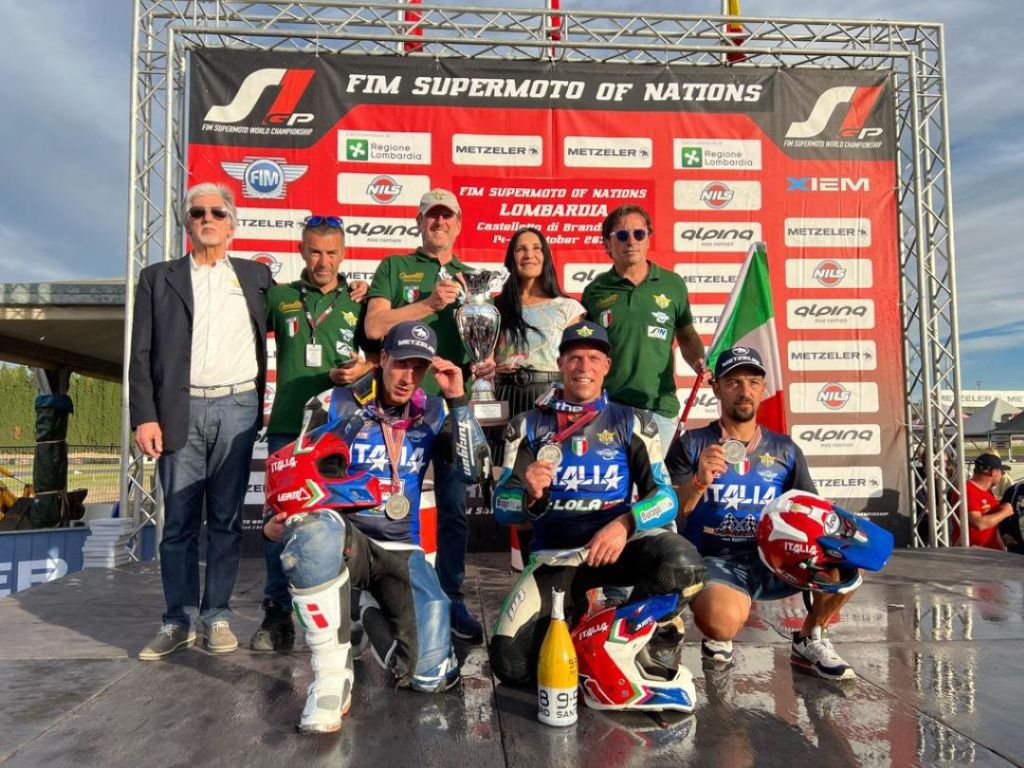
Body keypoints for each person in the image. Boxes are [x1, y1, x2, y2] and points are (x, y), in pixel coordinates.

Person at [262, 321, 490, 733]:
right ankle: (331, 677)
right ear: (382, 358)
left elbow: (475, 471)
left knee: (428, 677)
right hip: (346, 540)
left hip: (402, 547)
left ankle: (365, 609)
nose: (408, 377)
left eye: (418, 368)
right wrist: (272, 524)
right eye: (401, 363)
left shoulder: (433, 410)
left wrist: (458, 401)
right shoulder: (332, 402)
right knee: (313, 530)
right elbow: (296, 474)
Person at [489, 320, 706, 687]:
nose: (583, 367)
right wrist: (529, 496)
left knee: (683, 564)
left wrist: (625, 524)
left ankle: (629, 638)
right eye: (575, 358)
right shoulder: (527, 425)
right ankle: (578, 620)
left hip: (616, 548)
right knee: (511, 666)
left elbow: (665, 497)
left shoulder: (633, 421)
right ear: (560, 363)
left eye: (593, 358)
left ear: (607, 366)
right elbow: (501, 506)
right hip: (556, 556)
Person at [129, 182, 272, 660]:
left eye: (216, 212)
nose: (207, 218)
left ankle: (217, 617)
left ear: (232, 224)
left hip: (238, 409)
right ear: (186, 223)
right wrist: (145, 416)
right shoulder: (157, 278)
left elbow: (305, 311)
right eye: (197, 212)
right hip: (179, 410)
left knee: (227, 522)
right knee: (179, 524)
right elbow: (141, 354)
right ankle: (177, 621)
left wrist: (353, 292)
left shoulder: (257, 276)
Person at [665, 346, 859, 680]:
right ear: (716, 388)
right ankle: (718, 635)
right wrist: (698, 482)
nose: (745, 391)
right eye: (734, 382)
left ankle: (811, 637)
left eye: (753, 382)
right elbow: (670, 512)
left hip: (775, 558)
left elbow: (811, 510)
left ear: (763, 389)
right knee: (721, 622)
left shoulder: (785, 448)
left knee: (849, 563)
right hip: (717, 560)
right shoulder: (692, 443)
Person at [363, 188, 486, 643]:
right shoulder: (395, 267)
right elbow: (374, 326)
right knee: (395, 507)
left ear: (459, 224)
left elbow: (481, 340)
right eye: (431, 216)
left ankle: (451, 597)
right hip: (397, 410)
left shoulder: (472, 278)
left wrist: (485, 361)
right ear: (419, 222)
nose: (439, 223)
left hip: (450, 406)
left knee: (454, 510)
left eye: (447, 216)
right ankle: (393, 595)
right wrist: (430, 304)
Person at [250, 214, 374, 653]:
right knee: (281, 522)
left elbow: (381, 356)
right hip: (288, 426)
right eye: (316, 252)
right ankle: (276, 614)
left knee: (346, 521)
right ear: (302, 251)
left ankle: (346, 610)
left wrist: (362, 368)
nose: (324, 262)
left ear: (343, 253)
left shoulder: (359, 300)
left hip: (341, 429)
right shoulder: (281, 296)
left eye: (332, 253)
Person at [581, 204, 705, 453]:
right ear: (607, 244)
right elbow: (586, 351)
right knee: (613, 477)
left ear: (648, 239)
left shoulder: (672, 284)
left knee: (655, 478)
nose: (631, 241)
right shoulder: (595, 291)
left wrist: (699, 362)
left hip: (660, 410)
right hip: (608, 408)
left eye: (639, 234)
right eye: (622, 235)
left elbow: (687, 335)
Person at [490, 227, 585, 466]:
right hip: (504, 396)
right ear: (512, 258)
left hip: (549, 396)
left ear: (545, 256)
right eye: (520, 249)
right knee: (503, 471)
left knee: (547, 470)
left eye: (536, 248)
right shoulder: (495, 307)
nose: (529, 255)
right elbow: (486, 358)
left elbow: (575, 361)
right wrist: (486, 367)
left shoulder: (568, 308)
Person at [954, 453, 1014, 550]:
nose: (1002, 476)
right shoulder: (967, 490)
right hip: (974, 553)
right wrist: (1005, 512)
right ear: (994, 472)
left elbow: (992, 521)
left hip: (991, 551)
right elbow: (979, 523)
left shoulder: (987, 492)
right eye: (1002, 472)